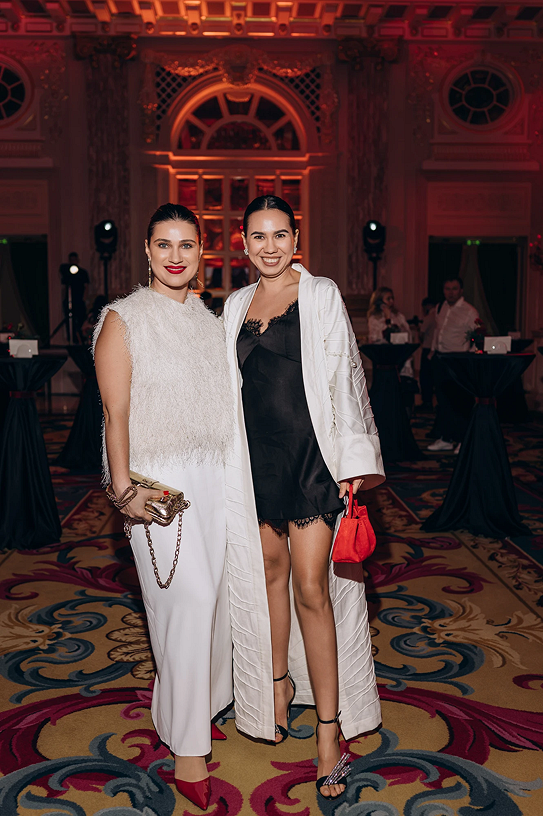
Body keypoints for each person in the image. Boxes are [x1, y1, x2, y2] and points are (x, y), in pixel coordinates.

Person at [222, 195, 385, 802]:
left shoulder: (319, 294)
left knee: (312, 588)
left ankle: (328, 732)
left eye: (280, 235)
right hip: (255, 461)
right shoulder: (234, 305)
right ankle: (278, 684)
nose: (269, 246)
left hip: (312, 460)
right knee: (269, 573)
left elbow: (344, 378)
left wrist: (352, 464)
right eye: (258, 236)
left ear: (296, 239)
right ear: (243, 242)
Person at [93, 203, 233, 812]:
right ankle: (189, 750)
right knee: (187, 601)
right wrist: (124, 491)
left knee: (217, 602)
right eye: (164, 244)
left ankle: (194, 705)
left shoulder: (210, 320)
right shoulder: (122, 319)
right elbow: (114, 413)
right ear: (147, 251)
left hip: (218, 478)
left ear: (202, 252)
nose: (176, 256)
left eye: (187, 244)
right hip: (159, 486)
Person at [428, 276, 478, 452]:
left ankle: (463, 440)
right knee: (443, 401)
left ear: (461, 290)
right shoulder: (440, 307)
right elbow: (438, 331)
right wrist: (433, 351)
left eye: (454, 289)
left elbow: (477, 336)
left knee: (460, 402)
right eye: (447, 289)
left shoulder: (469, 311)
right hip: (440, 358)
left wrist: (469, 359)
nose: (450, 292)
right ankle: (446, 438)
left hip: (458, 360)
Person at [367, 286, 417, 411]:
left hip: (398, 356)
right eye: (388, 298)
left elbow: (406, 332)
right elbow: (376, 337)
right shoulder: (374, 318)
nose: (391, 301)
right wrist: (387, 319)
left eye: (392, 298)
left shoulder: (398, 316)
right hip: (383, 357)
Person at [59, 252, 89, 343]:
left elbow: (86, 287)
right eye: (71, 260)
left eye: (74, 260)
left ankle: (81, 340)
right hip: (69, 301)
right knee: (69, 322)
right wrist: (64, 299)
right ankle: (71, 340)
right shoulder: (67, 273)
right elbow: (64, 287)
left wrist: (84, 299)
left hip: (79, 301)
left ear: (77, 260)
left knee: (80, 321)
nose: (73, 262)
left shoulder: (82, 273)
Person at [419, 297, 437, 412]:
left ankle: (427, 402)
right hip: (436, 350)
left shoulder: (429, 317)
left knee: (425, 377)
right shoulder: (440, 315)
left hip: (427, 348)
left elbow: (421, 334)